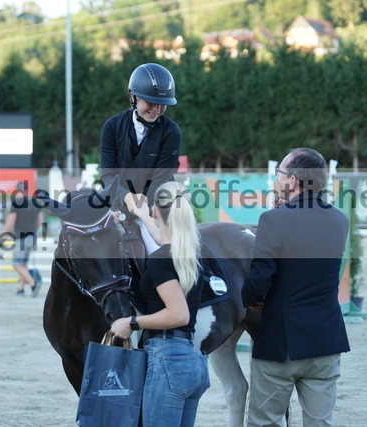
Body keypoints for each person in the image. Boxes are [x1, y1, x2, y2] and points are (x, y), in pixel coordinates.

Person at [241, 148, 351, 426]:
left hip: (282, 342)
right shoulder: (340, 220)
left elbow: (258, 282)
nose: (278, 179)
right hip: (326, 340)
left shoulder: (273, 220)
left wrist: (249, 300)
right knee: (320, 422)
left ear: (291, 181)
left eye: (280, 173)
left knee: (265, 421)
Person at [110, 181, 210, 427]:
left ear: (157, 210)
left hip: (167, 359)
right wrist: (141, 214)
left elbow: (178, 314)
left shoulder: (160, 261)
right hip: (193, 360)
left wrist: (131, 322)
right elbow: (162, 236)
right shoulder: (189, 253)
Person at [100, 62, 182, 254]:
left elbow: (161, 178)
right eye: (151, 102)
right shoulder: (112, 126)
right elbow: (108, 175)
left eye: (164, 104)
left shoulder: (171, 131)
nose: (158, 109)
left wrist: (141, 205)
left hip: (156, 208)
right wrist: (127, 198)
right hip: (118, 205)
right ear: (133, 96)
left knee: (160, 256)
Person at [1, 181, 44, 297]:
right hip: (32, 237)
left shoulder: (16, 203)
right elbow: (40, 222)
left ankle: (33, 283)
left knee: (16, 264)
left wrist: (4, 235)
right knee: (23, 263)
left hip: (21, 238)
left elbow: (10, 222)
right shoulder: (35, 202)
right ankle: (21, 289)